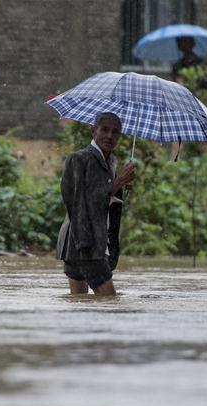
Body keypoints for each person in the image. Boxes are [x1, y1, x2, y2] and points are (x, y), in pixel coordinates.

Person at [55, 112, 136, 296]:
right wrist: (118, 182)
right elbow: (78, 202)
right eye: (104, 130)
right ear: (93, 131)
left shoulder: (109, 163)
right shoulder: (79, 159)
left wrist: (120, 186)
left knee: (80, 305)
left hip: (86, 245)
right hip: (84, 243)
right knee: (110, 302)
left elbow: (105, 204)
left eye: (115, 132)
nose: (109, 136)